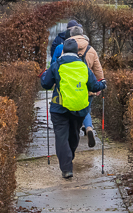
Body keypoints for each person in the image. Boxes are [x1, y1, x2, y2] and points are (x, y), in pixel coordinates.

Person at [39, 37, 105, 180]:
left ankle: (66, 168)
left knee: (61, 138)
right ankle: (70, 156)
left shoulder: (56, 65)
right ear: (77, 52)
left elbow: (45, 84)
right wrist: (103, 84)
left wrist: (43, 75)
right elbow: (94, 86)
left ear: (63, 51)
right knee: (74, 135)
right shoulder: (83, 67)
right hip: (79, 108)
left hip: (59, 108)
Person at [52, 24, 105, 147]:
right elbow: (98, 69)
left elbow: (57, 67)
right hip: (88, 85)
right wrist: (100, 83)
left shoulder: (64, 48)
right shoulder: (91, 50)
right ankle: (89, 128)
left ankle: (73, 133)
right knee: (86, 109)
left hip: (70, 86)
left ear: (70, 35)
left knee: (69, 111)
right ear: (82, 34)